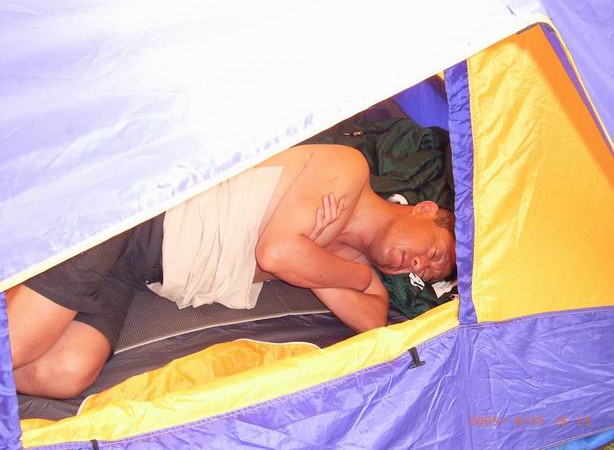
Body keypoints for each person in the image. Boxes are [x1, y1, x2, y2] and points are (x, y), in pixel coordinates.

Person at [6, 144, 455, 399]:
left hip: (134, 269)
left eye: (427, 273)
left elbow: (373, 320)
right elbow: (277, 253)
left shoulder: (347, 260)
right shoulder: (349, 167)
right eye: (434, 251)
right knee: (20, 346)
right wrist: (329, 269)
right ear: (424, 209)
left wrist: (339, 269)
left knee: (67, 371)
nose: (419, 266)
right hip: (135, 214)